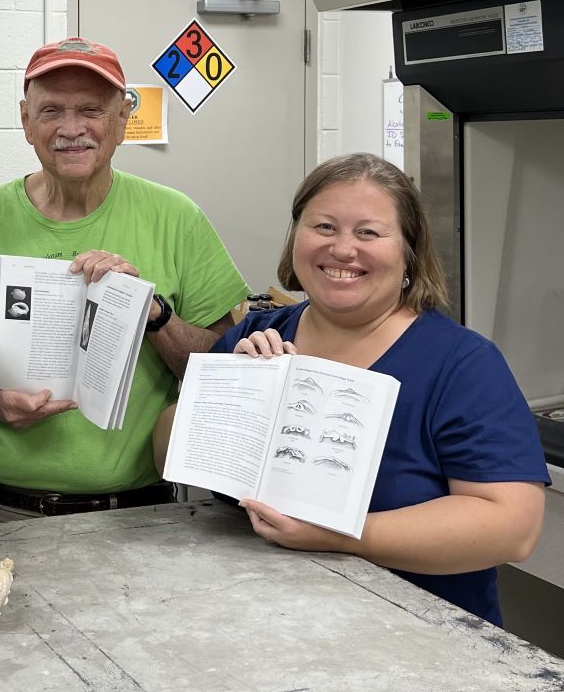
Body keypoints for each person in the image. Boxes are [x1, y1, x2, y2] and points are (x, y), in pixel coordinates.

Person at [157, 152, 545, 625]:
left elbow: (511, 528)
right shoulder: (255, 338)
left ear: (409, 253)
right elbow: (165, 456)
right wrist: (232, 393)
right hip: (263, 620)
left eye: (368, 232)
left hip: (425, 645)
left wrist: (340, 535)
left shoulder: (461, 365)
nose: (343, 249)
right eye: (323, 227)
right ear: (295, 239)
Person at [0, 37, 249, 521]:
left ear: (122, 119)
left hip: (143, 515)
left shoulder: (177, 217)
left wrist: (153, 314)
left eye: (91, 110)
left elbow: (225, 375)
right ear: (25, 120)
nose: (71, 129)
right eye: (51, 110)